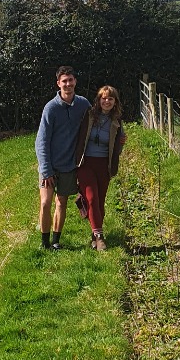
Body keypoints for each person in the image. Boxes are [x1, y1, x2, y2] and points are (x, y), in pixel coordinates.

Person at [36, 65, 91, 249]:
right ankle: (44, 243)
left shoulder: (83, 104)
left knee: (62, 202)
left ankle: (56, 241)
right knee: (45, 203)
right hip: (50, 166)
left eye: (71, 80)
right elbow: (41, 142)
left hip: (69, 165)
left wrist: (118, 133)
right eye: (64, 81)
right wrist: (46, 170)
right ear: (58, 84)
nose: (68, 84)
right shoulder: (50, 109)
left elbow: (96, 122)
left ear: (75, 81)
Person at [74, 85, 126, 251]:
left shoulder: (117, 122)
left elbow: (118, 146)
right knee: (91, 198)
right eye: (104, 98)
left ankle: (94, 234)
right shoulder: (88, 116)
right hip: (86, 163)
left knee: (100, 202)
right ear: (98, 100)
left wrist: (121, 144)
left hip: (104, 165)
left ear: (115, 102)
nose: (107, 101)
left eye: (110, 98)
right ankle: (99, 236)